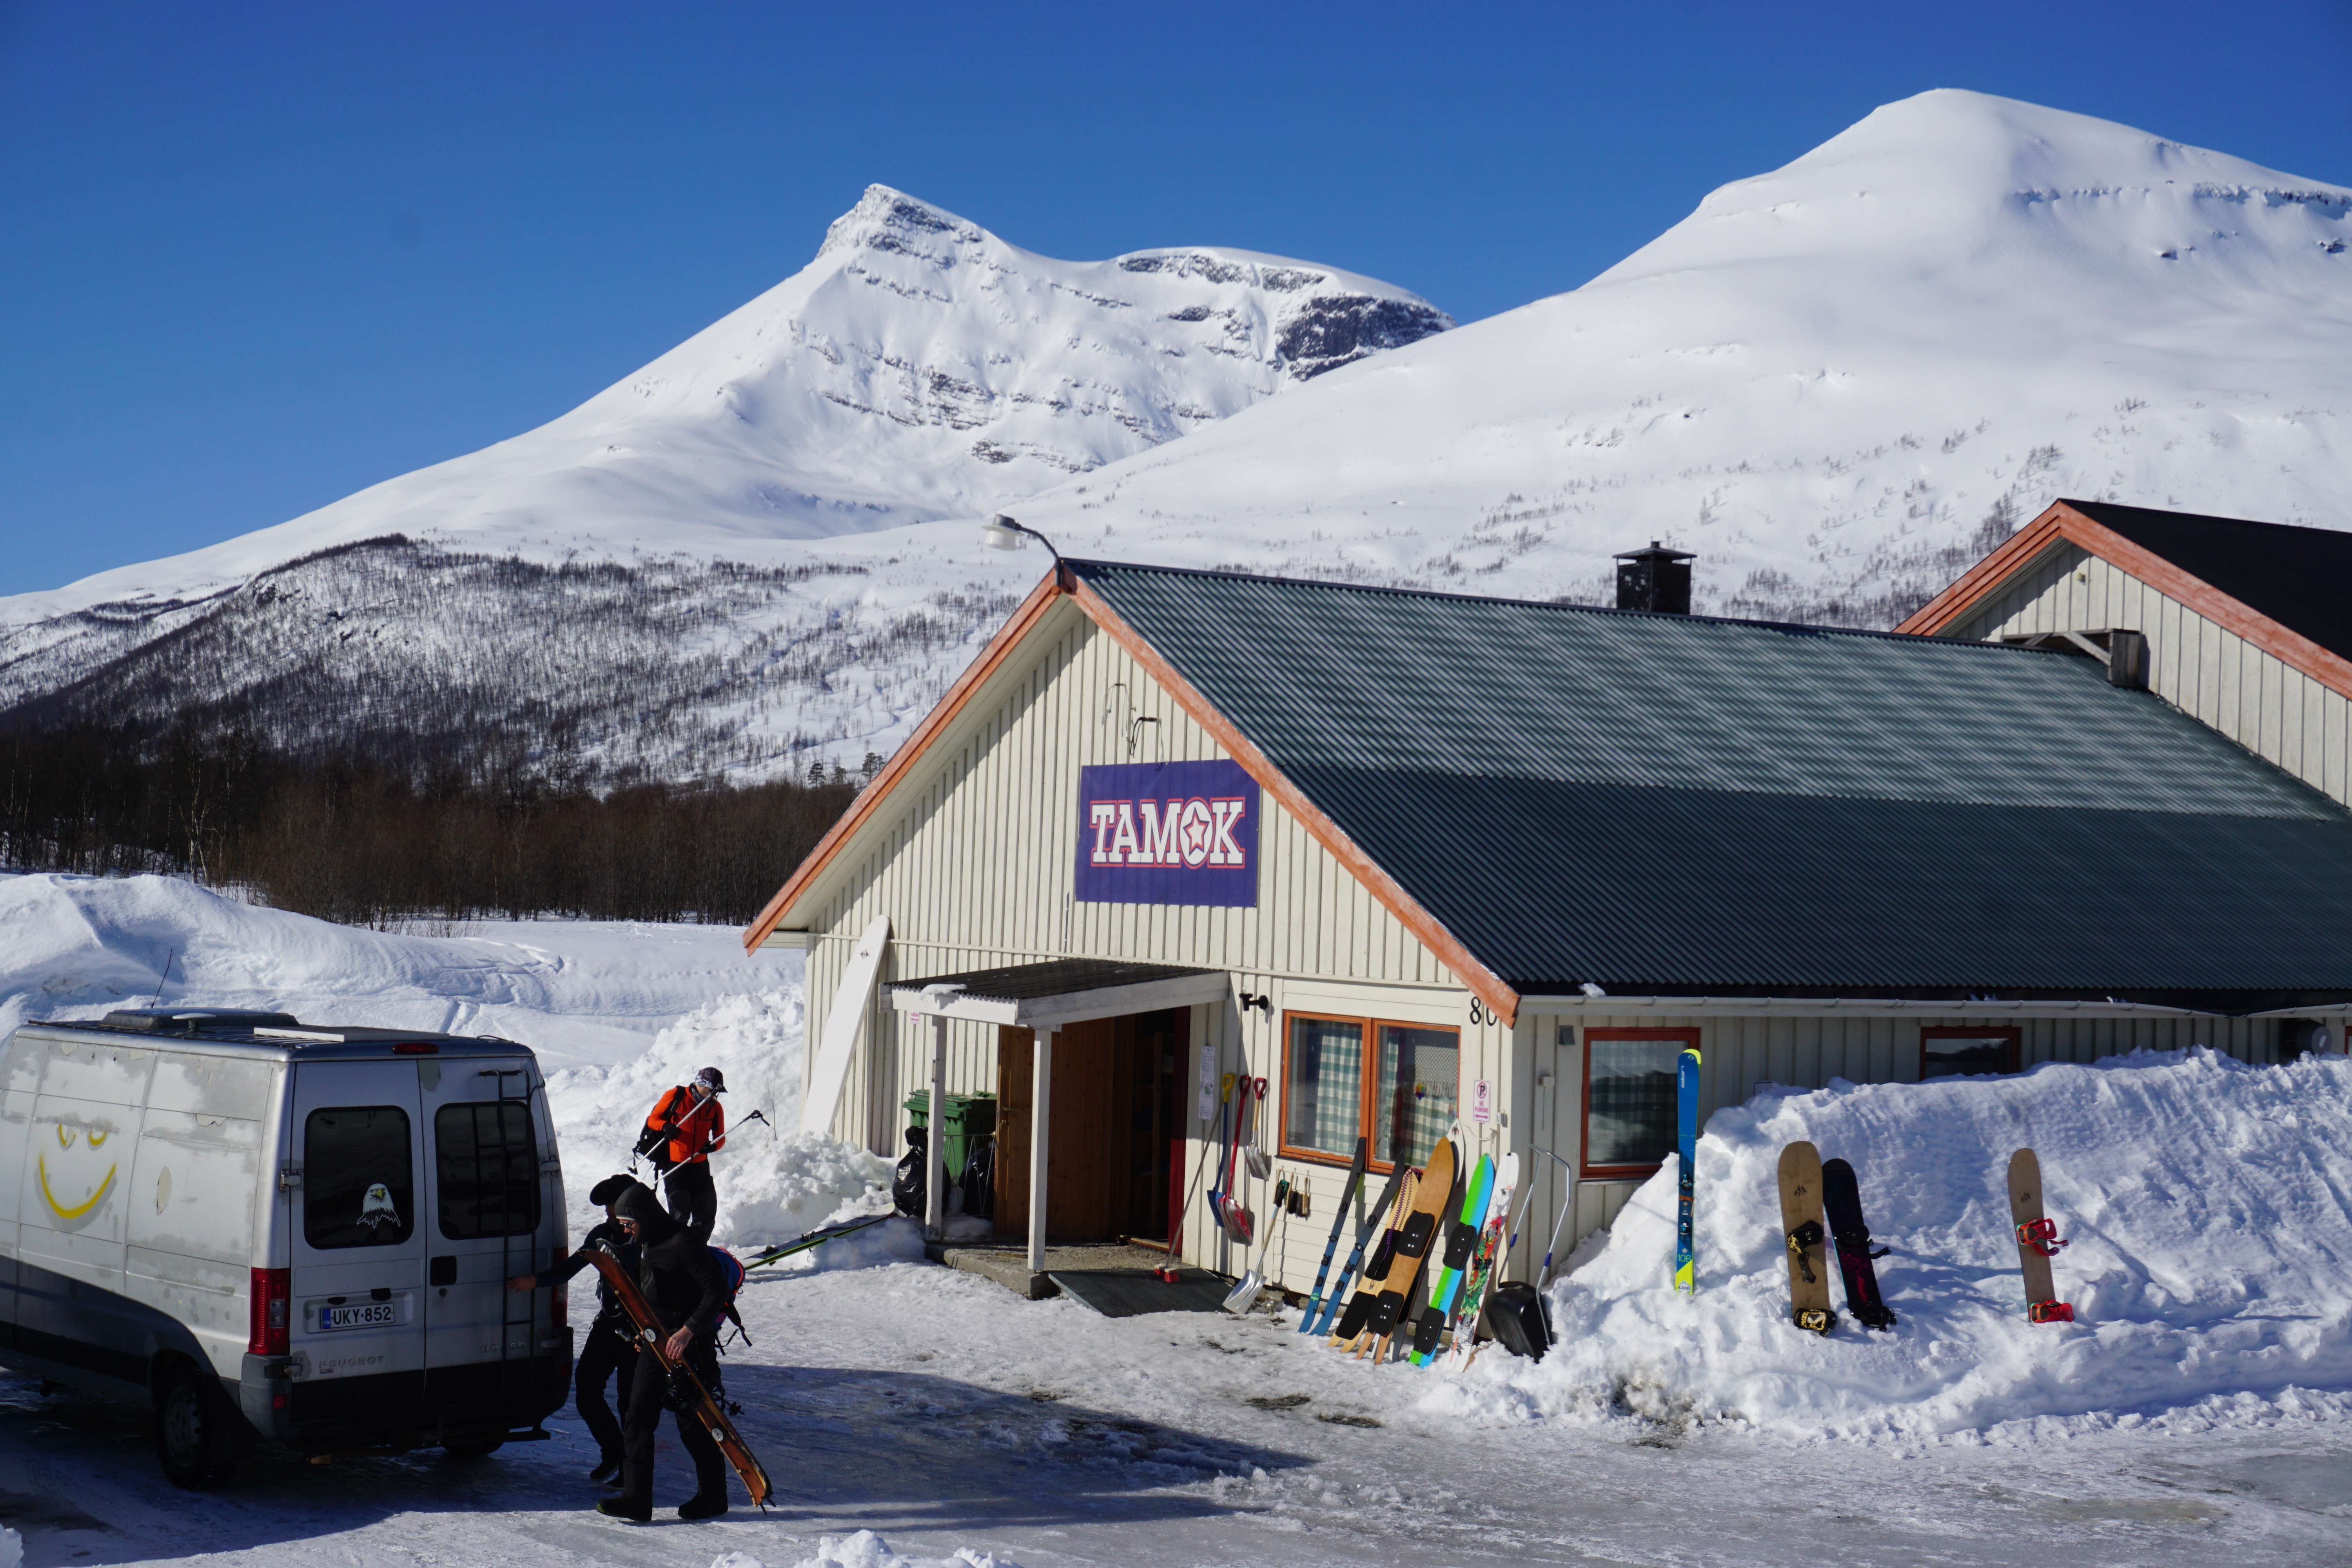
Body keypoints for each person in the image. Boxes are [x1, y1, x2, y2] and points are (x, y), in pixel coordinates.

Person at [597, 1184, 731, 1523]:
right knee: (637, 1418)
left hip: (688, 1350)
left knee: (693, 1426)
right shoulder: (645, 1245)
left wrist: (688, 1332)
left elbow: (716, 1290)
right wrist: (643, 1332)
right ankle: (636, 1500)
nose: (625, 1229)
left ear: (644, 1216)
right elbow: (650, 1294)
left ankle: (713, 1497)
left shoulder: (682, 1243)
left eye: (629, 1222)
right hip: (656, 1347)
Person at [506, 1174, 647, 1484]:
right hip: (609, 1325)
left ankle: (631, 1471)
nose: (610, 1213)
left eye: (614, 1207)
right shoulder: (601, 1235)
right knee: (586, 1391)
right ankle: (613, 1451)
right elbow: (573, 1265)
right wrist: (537, 1281)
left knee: (629, 1404)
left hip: (639, 1332)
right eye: (609, 1209)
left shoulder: (648, 1238)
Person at [639, 1067, 727, 1243]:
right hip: (675, 1165)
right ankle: (672, 1253)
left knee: (706, 1218)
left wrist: (713, 1147)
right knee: (680, 1216)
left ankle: (696, 1253)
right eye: (712, 1090)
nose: (714, 1095)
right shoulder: (676, 1096)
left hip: (701, 1167)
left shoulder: (715, 1108)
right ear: (701, 1084)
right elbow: (653, 1119)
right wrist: (665, 1126)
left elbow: (721, 1138)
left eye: (717, 1092)